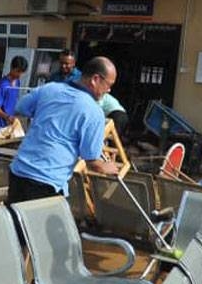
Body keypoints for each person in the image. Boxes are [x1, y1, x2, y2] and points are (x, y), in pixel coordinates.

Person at [8, 56, 119, 203]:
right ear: (95, 79)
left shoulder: (49, 89)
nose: (109, 89)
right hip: (47, 181)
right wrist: (108, 167)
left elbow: (21, 108)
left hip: (19, 172)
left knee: (16, 222)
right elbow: (92, 161)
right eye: (108, 84)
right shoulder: (94, 112)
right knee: (42, 226)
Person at [0, 56, 28, 131]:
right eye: (18, 71)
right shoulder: (3, 85)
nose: (19, 75)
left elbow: (13, 101)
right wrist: (7, 117)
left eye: (21, 72)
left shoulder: (17, 82)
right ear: (11, 67)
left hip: (9, 123)